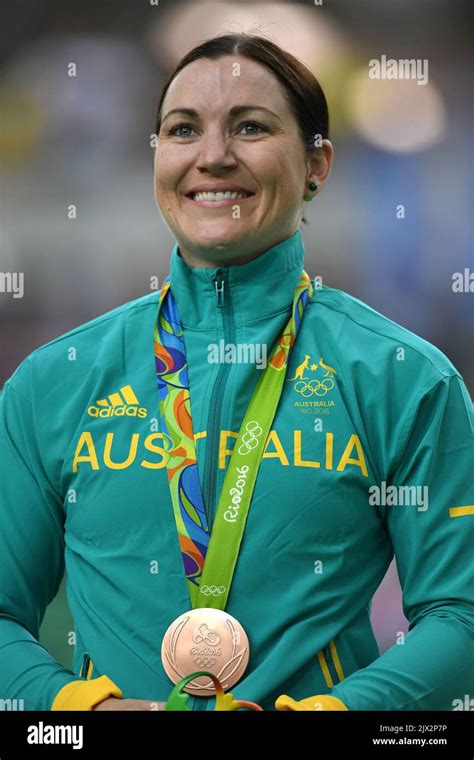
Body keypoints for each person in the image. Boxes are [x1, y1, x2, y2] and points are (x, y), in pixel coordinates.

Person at [0, 32, 473, 713]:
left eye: (250, 127)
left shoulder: (403, 377)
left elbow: (461, 617)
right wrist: (80, 711)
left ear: (318, 166)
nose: (213, 156)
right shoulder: (55, 381)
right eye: (183, 129)